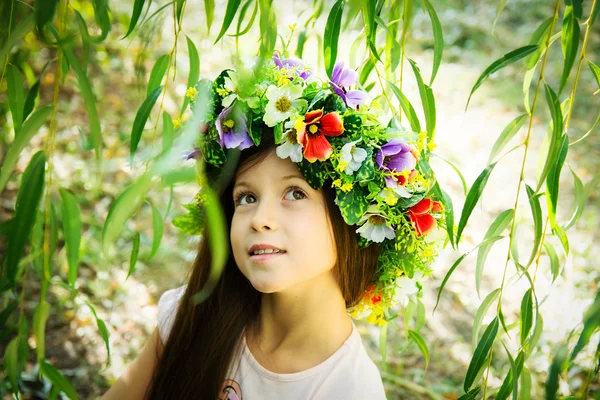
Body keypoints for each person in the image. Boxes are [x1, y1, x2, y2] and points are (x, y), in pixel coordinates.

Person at [101, 51, 446, 399]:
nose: (261, 220)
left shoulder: (348, 389)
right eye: (246, 198)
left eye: (295, 193)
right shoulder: (191, 317)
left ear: (353, 216)